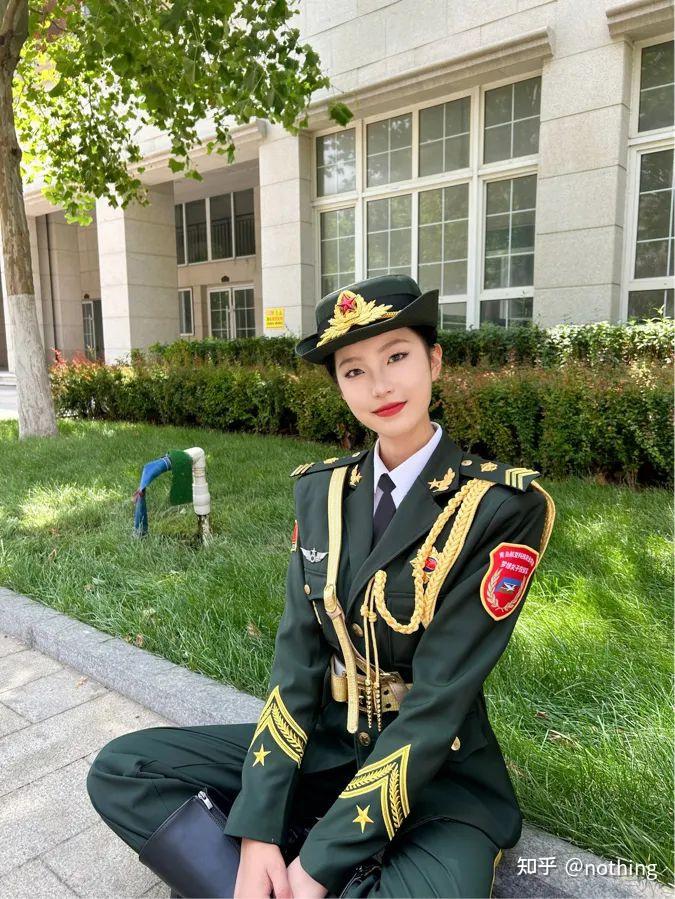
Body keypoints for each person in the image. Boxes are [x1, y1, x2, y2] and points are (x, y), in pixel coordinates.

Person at [86, 274, 556, 898]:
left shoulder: (499, 505)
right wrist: (257, 831)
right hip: (327, 751)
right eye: (354, 370)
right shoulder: (321, 491)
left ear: (435, 361)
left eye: (397, 357)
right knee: (123, 770)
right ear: (339, 385)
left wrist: (315, 866)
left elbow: (439, 700)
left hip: (438, 778)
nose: (379, 385)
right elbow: (297, 666)